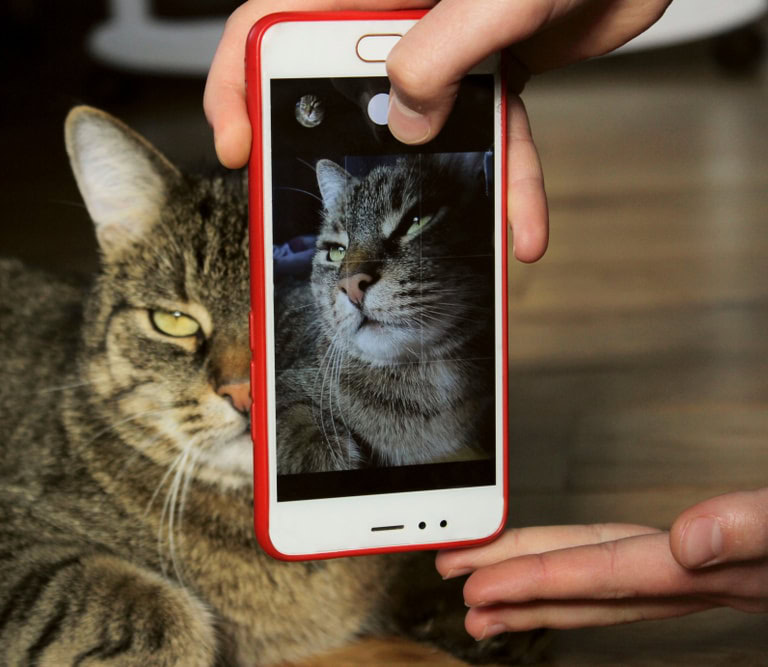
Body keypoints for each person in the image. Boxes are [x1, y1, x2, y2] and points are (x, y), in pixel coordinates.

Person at [203, 0, 768, 641]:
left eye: (409, 224)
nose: (353, 278)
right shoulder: (323, 354)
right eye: (334, 251)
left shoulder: (472, 343)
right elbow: (293, 391)